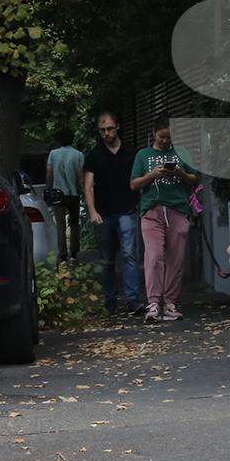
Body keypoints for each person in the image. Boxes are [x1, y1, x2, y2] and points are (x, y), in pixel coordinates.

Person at [130, 114, 199, 323]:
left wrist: (180, 174)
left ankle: (170, 302)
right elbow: (134, 184)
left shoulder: (182, 153)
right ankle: (153, 302)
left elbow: (194, 179)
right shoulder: (143, 155)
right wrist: (152, 175)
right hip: (152, 210)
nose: (165, 141)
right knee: (153, 256)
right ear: (154, 133)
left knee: (176, 259)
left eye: (169, 138)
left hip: (178, 209)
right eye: (161, 137)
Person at [84, 110, 143, 315]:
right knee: (107, 260)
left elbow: (139, 180)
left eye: (109, 128)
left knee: (129, 255)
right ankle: (110, 301)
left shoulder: (131, 152)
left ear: (117, 127)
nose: (106, 133)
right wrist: (92, 211)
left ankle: (133, 300)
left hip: (127, 209)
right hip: (104, 213)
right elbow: (88, 186)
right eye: (102, 130)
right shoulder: (94, 155)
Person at [45, 136, 86, 264]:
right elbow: (80, 177)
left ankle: (62, 256)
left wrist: (49, 189)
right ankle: (73, 255)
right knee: (74, 225)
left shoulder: (53, 154)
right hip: (73, 194)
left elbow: (49, 174)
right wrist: (83, 191)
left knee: (60, 226)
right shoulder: (78, 155)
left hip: (58, 194)